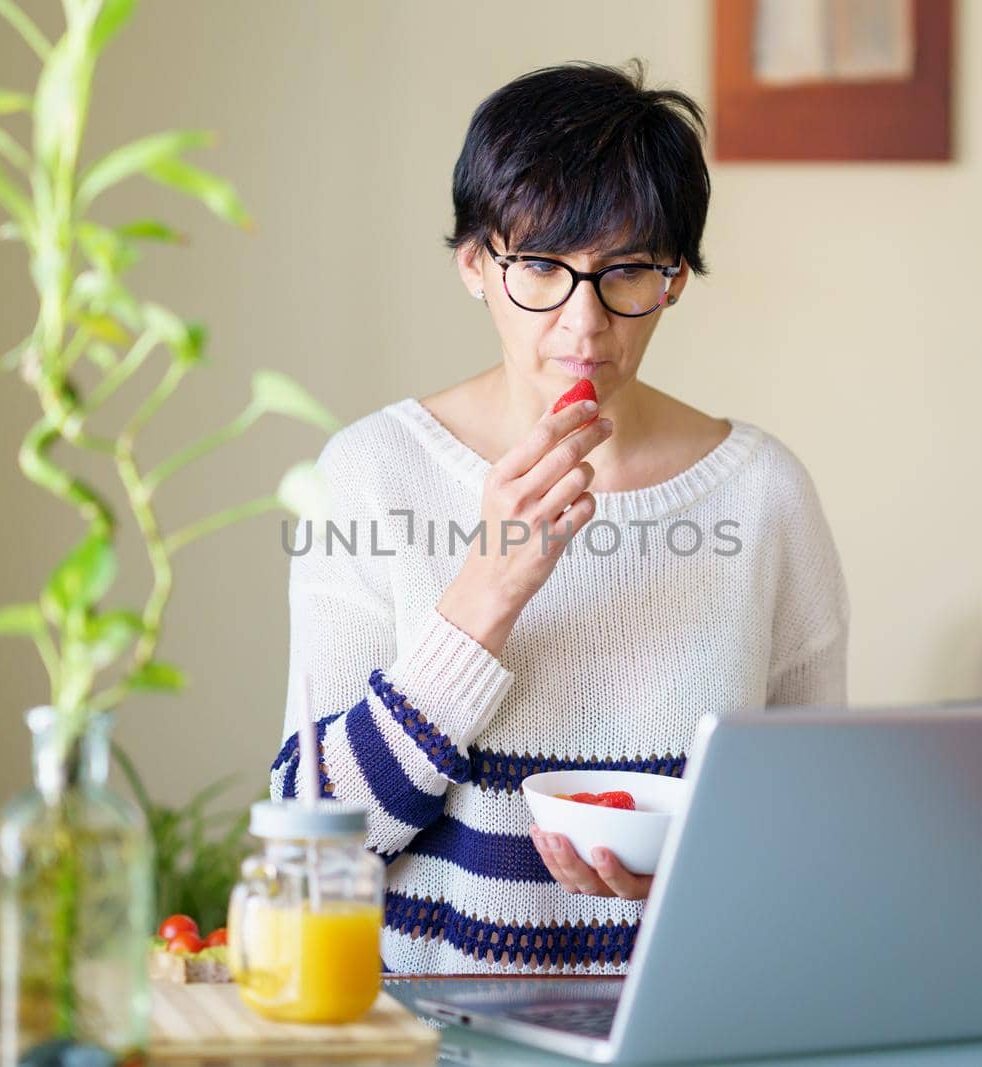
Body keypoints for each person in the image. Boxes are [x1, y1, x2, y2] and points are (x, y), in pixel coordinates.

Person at [268, 60, 848, 974]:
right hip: (438, 1031)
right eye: (540, 267)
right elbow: (309, 848)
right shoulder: (371, 474)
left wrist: (702, 878)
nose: (584, 324)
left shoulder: (762, 492)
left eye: (627, 274)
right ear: (474, 266)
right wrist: (483, 595)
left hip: (683, 1021)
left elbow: (816, 832)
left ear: (676, 281)